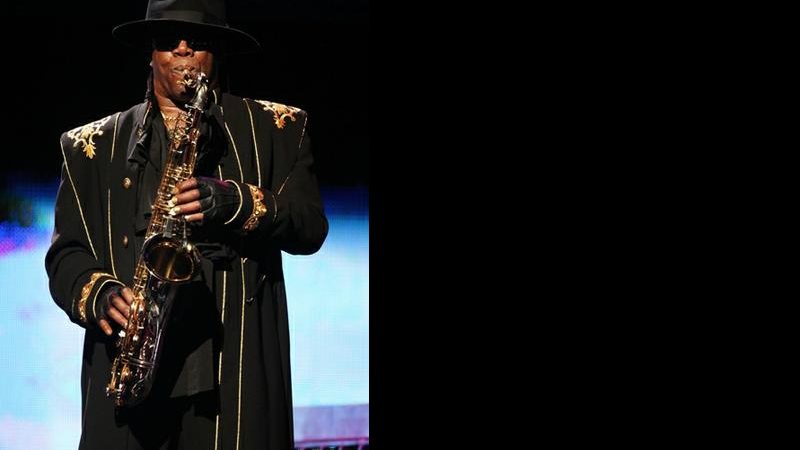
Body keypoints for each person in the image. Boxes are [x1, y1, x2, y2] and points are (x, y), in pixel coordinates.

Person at [44, 1, 328, 449]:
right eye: (168, 40)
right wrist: (100, 294)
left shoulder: (278, 128)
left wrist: (234, 201)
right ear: (150, 52)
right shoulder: (88, 146)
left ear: (217, 52)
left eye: (197, 41)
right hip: (132, 357)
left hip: (229, 366)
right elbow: (65, 256)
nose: (182, 50)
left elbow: (310, 226)